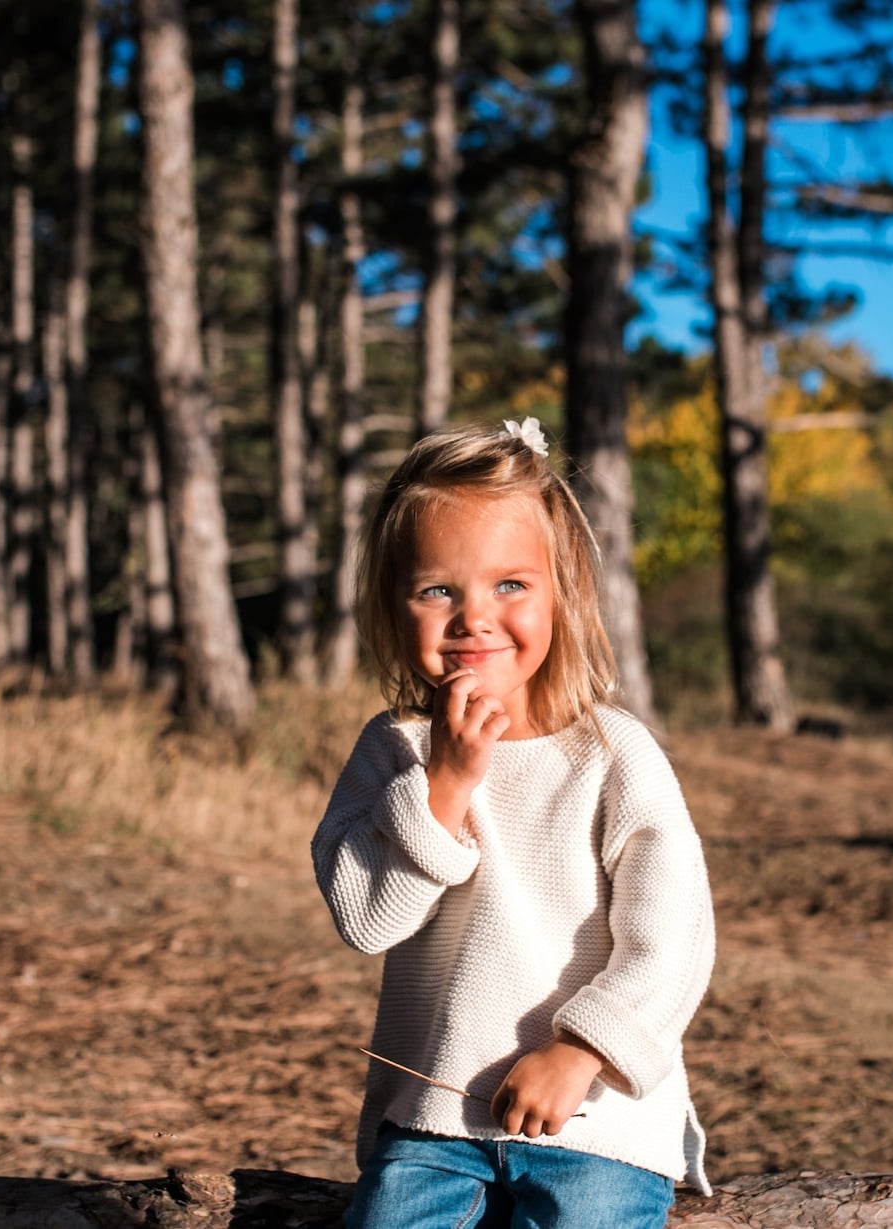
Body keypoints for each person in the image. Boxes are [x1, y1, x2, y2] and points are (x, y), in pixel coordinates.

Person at [311, 417, 717, 1228]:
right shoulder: (393, 750)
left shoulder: (611, 754)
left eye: (510, 585)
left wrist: (584, 1050)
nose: (473, 618)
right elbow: (366, 919)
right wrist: (449, 782)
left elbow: (674, 936)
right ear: (396, 606)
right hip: (433, 1115)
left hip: (595, 1116)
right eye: (438, 590)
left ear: (561, 592)